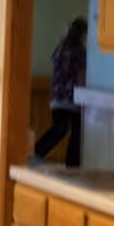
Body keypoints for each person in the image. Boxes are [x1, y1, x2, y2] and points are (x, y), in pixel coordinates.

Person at [33, 16, 87, 167]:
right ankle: (72, 164)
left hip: (56, 96)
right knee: (76, 133)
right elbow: (81, 75)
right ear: (82, 35)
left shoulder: (61, 47)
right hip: (72, 98)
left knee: (60, 128)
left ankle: (37, 152)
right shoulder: (79, 52)